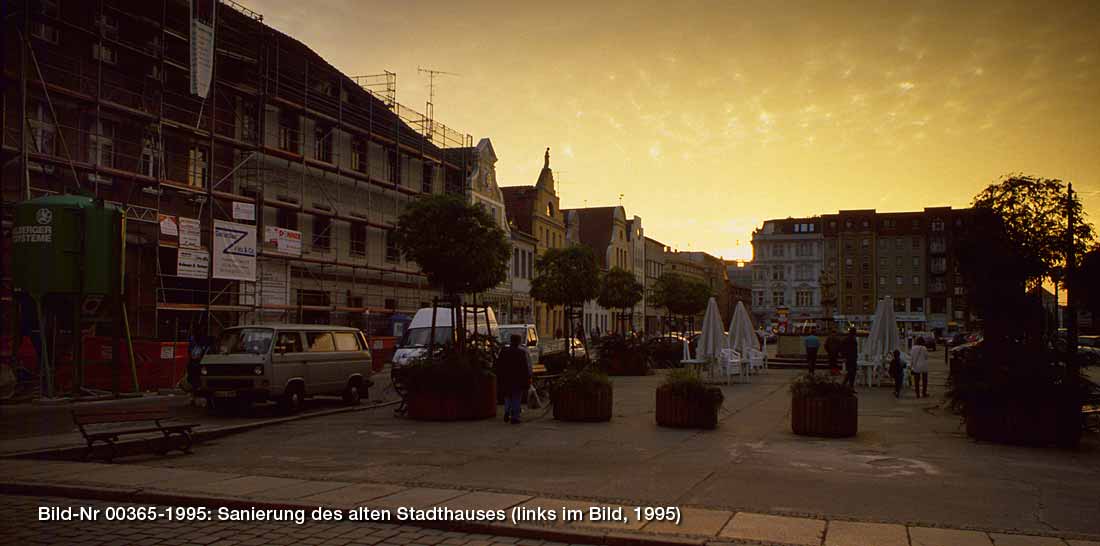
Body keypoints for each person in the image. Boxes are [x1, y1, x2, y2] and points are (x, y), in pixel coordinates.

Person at [496, 334, 531, 424]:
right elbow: (525, 368)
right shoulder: (521, 353)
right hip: (517, 379)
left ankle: (507, 410)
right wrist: (527, 378)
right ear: (518, 342)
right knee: (516, 397)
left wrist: (500, 377)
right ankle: (515, 417)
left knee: (507, 396)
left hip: (506, 378)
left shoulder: (504, 352)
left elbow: (499, 366)